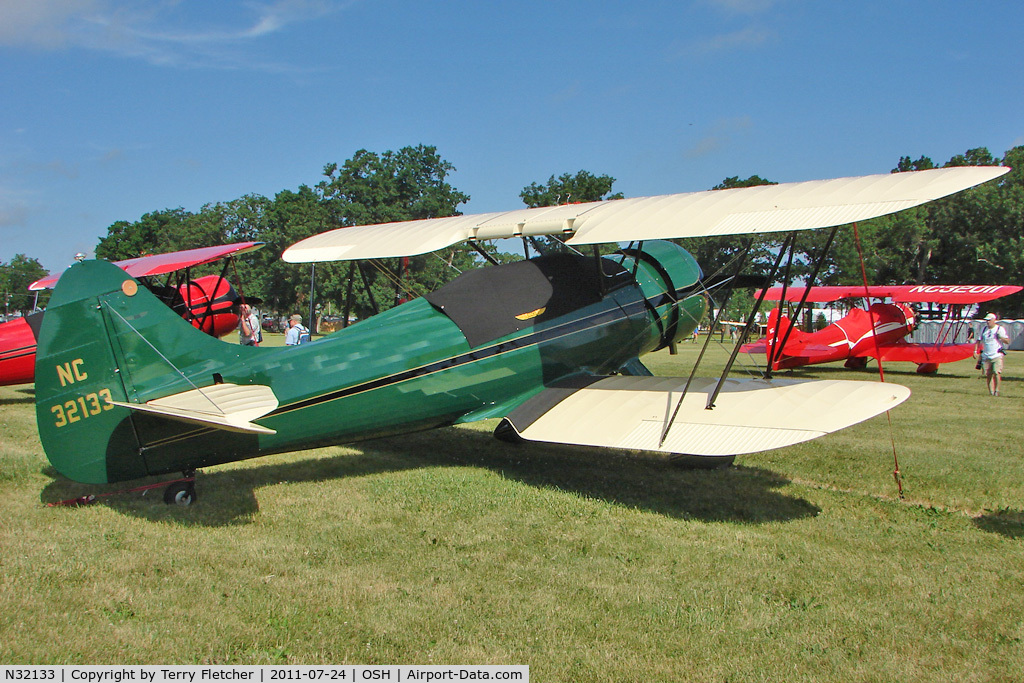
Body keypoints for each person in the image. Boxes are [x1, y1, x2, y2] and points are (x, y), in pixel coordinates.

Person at [974, 313, 1010, 396]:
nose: (987, 322)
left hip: (997, 355)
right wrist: (975, 351)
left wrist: (1001, 337)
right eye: (987, 320)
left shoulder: (999, 329)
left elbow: (1007, 341)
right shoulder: (984, 329)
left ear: (994, 320)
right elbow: (978, 341)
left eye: (989, 320)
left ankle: (997, 390)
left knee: (997, 372)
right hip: (986, 355)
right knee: (989, 374)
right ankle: (991, 391)